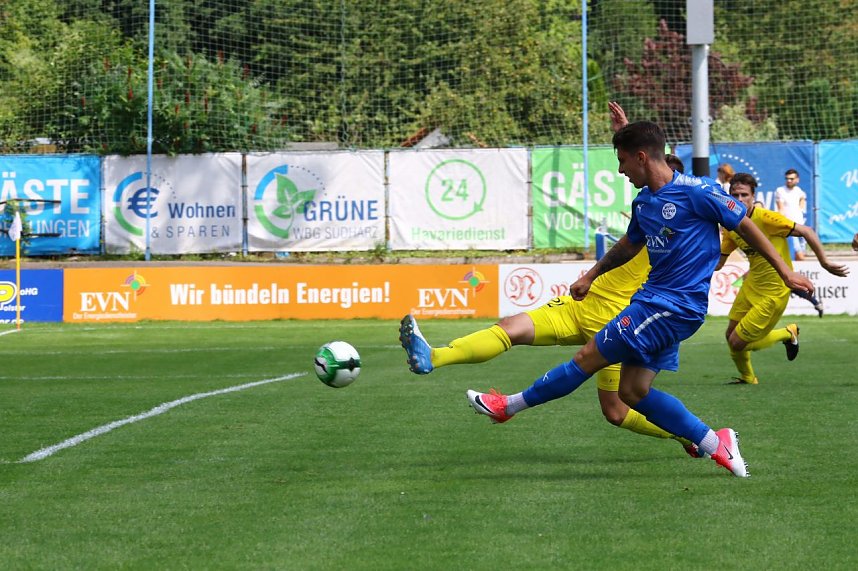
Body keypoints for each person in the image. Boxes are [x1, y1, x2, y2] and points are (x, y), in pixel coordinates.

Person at [462, 121, 814, 478]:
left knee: (588, 357)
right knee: (632, 392)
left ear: (642, 157)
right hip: (655, 303)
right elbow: (630, 244)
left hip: (672, 306)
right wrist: (590, 275)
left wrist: (786, 272)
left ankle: (507, 406)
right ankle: (715, 441)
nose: (620, 170)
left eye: (623, 161)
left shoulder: (698, 192)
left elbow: (745, 225)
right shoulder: (644, 201)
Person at [399, 103, 698, 456]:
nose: (632, 177)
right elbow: (642, 153)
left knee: (616, 411)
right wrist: (627, 131)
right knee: (511, 326)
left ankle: (686, 436)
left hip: (621, 321)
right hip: (584, 304)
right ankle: (433, 356)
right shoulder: (647, 207)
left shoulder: (679, 217)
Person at [715, 173, 848, 384]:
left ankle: (788, 333)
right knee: (730, 334)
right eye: (735, 195)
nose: (739, 200)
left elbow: (807, 231)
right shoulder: (731, 226)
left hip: (774, 291)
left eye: (744, 195)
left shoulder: (766, 218)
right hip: (751, 286)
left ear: (753, 196)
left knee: (737, 342)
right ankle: (748, 377)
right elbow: (719, 264)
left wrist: (824, 262)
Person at [775, 169, 808, 261]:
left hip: (801, 226)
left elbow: (802, 199)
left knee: (801, 256)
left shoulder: (798, 190)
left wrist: (801, 210)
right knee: (799, 256)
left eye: (791, 179)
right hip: (790, 227)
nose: (789, 181)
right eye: (787, 178)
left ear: (797, 179)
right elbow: (780, 209)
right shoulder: (780, 190)